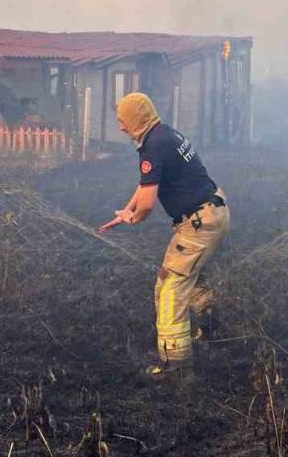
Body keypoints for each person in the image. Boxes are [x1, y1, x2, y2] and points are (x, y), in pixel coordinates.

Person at [101, 92, 229, 379]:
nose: (121, 127)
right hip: (213, 211)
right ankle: (211, 331)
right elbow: (147, 185)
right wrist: (127, 209)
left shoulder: (153, 146)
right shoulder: (165, 134)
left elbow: (148, 203)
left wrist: (137, 217)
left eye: (123, 121)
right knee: (192, 281)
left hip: (198, 223)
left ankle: (175, 365)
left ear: (136, 119)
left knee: (170, 287)